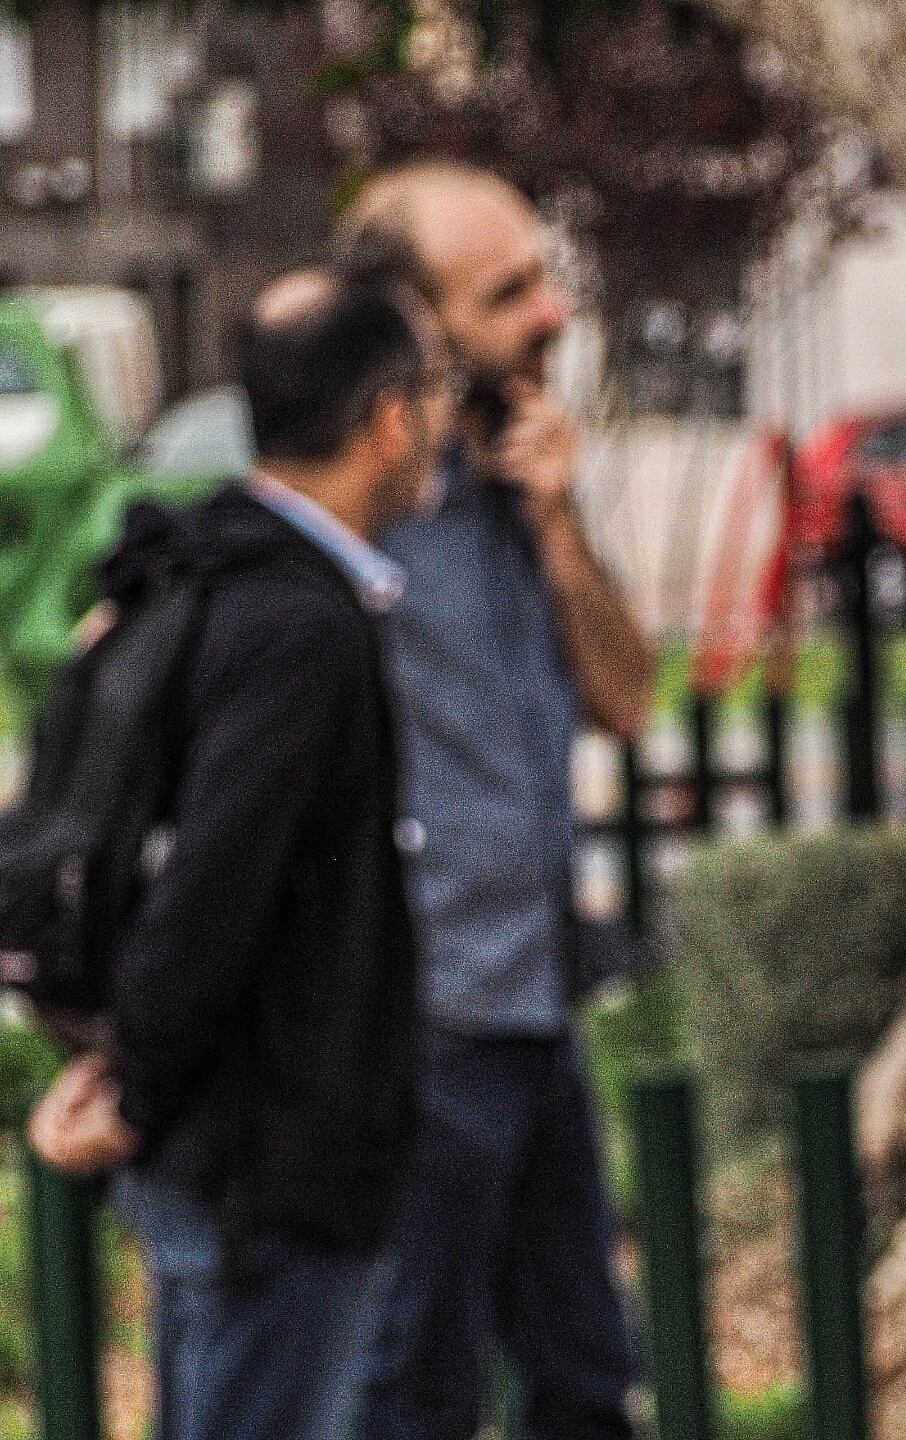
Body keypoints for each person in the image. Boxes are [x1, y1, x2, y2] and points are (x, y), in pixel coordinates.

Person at [27, 268, 453, 1440]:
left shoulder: (201, 572)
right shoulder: (298, 623)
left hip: (223, 1157)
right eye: (433, 394)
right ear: (388, 420)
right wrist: (141, 1091)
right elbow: (212, 894)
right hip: (265, 1171)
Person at [334, 161, 655, 1440]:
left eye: (543, 280)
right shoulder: (363, 511)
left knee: (586, 1381)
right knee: (412, 1393)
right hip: (417, 1023)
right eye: (507, 292)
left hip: (533, 1004)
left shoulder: (521, 484)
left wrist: (560, 522)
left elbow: (627, 699)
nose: (551, 314)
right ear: (414, 324)